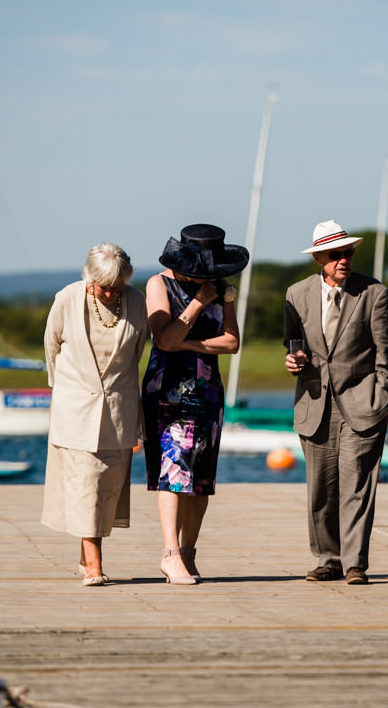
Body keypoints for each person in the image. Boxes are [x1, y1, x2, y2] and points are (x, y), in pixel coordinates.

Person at [284, 220, 388, 585]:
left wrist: (378, 395)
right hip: (314, 403)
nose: (343, 260)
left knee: (357, 487)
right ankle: (327, 559)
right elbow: (293, 346)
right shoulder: (295, 294)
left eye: (348, 253)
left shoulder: (374, 293)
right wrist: (293, 363)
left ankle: (354, 564)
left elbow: (387, 359)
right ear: (319, 258)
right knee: (321, 490)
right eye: (335, 255)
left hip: (362, 405)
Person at [142, 223, 248, 586]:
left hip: (208, 389)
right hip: (169, 389)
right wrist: (199, 302)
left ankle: (188, 552)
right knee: (174, 468)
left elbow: (232, 343)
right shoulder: (160, 284)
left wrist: (189, 341)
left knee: (201, 476)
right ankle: (169, 553)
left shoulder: (221, 290)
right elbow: (164, 338)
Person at [41, 243, 149, 587]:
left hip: (119, 408)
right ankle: (94, 567)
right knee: (86, 483)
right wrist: (62, 389)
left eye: (116, 286)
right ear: (89, 279)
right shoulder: (68, 298)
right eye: (103, 286)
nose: (109, 292)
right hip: (75, 409)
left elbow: (137, 350)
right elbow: (51, 344)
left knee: (106, 486)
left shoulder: (136, 301)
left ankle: (83, 555)